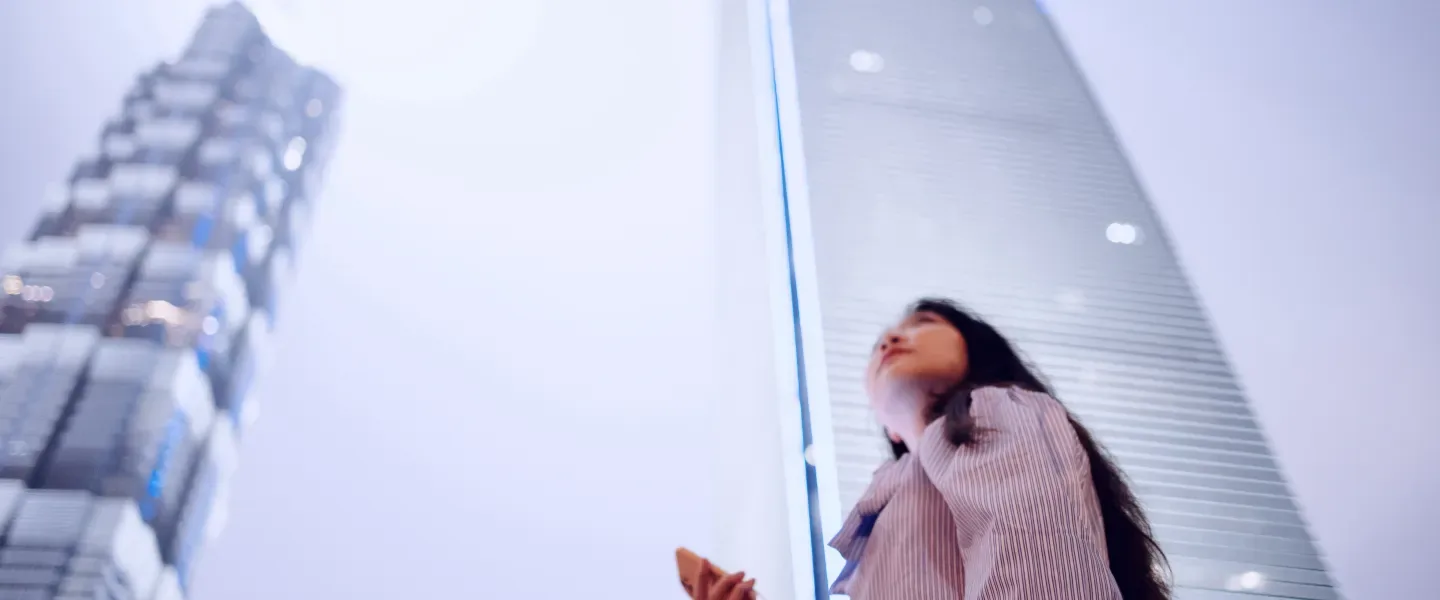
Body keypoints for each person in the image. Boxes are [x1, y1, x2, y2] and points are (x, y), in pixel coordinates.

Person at [689, 298, 1170, 600]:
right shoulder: (893, 499)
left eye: (923, 323)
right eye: (878, 344)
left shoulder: (993, 410)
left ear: (975, 351)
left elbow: (1036, 559)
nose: (892, 339)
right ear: (889, 429)